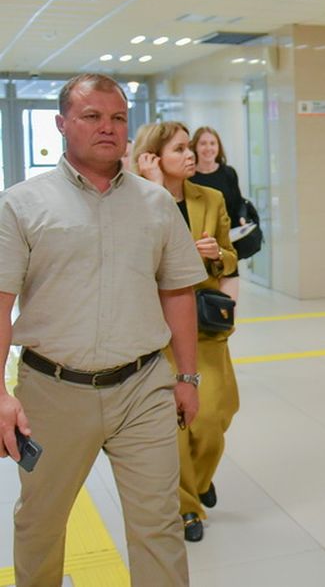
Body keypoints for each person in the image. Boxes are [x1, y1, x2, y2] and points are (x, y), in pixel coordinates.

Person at [0, 73, 205, 586]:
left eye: (118, 118)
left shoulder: (156, 203)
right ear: (61, 123)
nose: (107, 127)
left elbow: (178, 292)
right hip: (53, 391)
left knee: (159, 525)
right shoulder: (21, 204)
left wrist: (187, 377)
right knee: (40, 522)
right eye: (92, 116)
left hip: (143, 388)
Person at [134, 121, 239, 544]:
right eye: (179, 149)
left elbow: (231, 257)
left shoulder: (210, 198)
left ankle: (199, 480)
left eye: (189, 147)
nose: (190, 154)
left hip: (203, 325)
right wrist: (155, 190)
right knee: (174, 425)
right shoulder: (137, 200)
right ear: (154, 158)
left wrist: (216, 255)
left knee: (215, 416)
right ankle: (187, 508)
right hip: (154, 328)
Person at [189, 126, 246, 302]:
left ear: (219, 147)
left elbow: (238, 202)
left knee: (227, 308)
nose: (208, 148)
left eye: (212, 143)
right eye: (203, 143)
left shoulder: (228, 173)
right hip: (200, 249)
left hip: (225, 244)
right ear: (195, 147)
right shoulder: (189, 176)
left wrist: (242, 218)